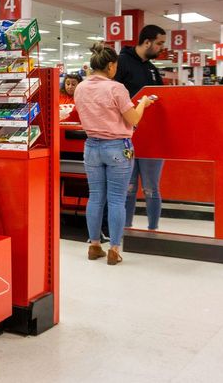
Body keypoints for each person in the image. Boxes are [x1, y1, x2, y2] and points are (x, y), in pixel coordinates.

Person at [74, 43, 154, 265]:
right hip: (117, 147)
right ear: (110, 65)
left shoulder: (80, 87)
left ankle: (94, 246)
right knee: (117, 199)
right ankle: (114, 250)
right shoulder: (116, 88)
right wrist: (144, 103)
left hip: (91, 147)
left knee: (95, 196)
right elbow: (134, 119)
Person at [114, 24, 166, 231]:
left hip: (152, 138)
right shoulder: (122, 63)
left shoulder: (152, 69)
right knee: (128, 188)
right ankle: (125, 230)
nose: (162, 48)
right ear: (147, 42)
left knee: (151, 188)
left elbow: (162, 100)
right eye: (160, 43)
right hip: (126, 136)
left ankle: (153, 230)